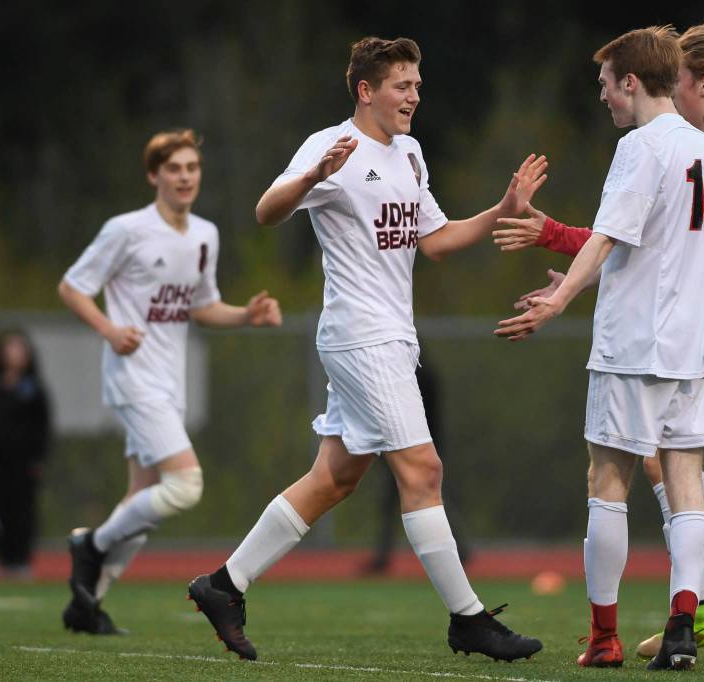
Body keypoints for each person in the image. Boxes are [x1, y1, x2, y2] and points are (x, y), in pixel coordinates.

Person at [186, 36, 546, 663]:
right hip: (360, 336)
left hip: (392, 336)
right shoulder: (333, 147)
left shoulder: (408, 152)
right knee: (424, 471)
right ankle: (468, 620)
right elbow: (267, 211)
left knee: (334, 478)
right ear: (366, 90)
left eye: (416, 85)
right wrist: (312, 176)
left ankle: (223, 585)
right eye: (402, 85)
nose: (414, 96)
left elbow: (433, 240)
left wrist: (500, 210)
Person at [493, 23, 704, 660]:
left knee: (608, 479)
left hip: (635, 341)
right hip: (695, 342)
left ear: (631, 82)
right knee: (683, 480)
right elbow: (651, 245)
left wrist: (558, 300)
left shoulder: (642, 146)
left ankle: (604, 638)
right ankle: (685, 624)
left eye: (604, 83)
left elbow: (609, 236)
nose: (601, 96)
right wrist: (577, 268)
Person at [58, 129, 282, 635]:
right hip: (133, 377)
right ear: (154, 175)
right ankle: (89, 547)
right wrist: (109, 330)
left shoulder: (205, 234)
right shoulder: (126, 230)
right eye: (174, 168)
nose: (185, 177)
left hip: (169, 380)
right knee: (185, 484)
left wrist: (246, 314)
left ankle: (85, 605)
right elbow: (72, 287)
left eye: (192, 168)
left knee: (142, 500)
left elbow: (202, 307)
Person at [362, 352, 472, 575]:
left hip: (411, 446)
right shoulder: (419, 374)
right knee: (423, 499)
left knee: (424, 499)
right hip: (414, 445)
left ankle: (454, 551)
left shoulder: (409, 377)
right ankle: (457, 550)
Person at [0, 330, 52, 578]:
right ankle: (4, 560)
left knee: (23, 509)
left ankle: (21, 560)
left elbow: (43, 426)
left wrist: (39, 457)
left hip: (24, 461)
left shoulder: (34, 389)